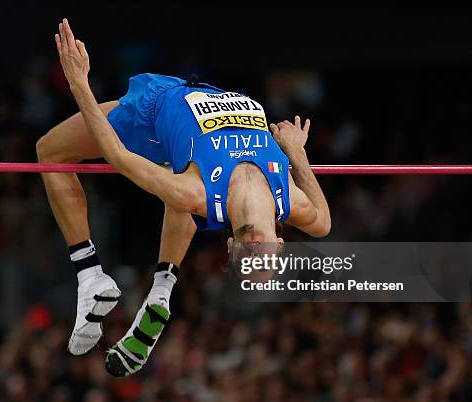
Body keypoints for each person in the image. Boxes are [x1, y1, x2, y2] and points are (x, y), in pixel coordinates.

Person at [36, 18, 331, 377]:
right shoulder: (289, 198)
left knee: (50, 151)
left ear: (231, 251)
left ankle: (90, 275)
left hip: (153, 111)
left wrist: (79, 84)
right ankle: (162, 288)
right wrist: (298, 155)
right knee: (181, 183)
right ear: (280, 245)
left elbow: (117, 156)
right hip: (207, 93)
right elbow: (323, 223)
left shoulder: (198, 193)